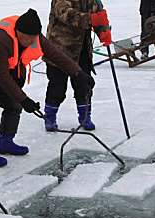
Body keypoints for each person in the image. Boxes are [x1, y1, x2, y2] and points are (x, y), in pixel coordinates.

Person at [0, 8, 94, 167]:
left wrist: (78, 73)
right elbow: (3, 78)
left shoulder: (35, 36)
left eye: (34, 38)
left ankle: (6, 142)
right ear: (18, 32)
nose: (31, 42)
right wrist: (25, 99)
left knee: (13, 106)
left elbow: (56, 54)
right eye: (28, 38)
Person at [43, 0, 111, 133]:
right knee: (57, 86)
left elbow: (99, 16)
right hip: (59, 50)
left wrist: (103, 30)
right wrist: (91, 19)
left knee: (84, 85)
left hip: (82, 50)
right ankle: (50, 117)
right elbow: (65, 14)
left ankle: (85, 117)